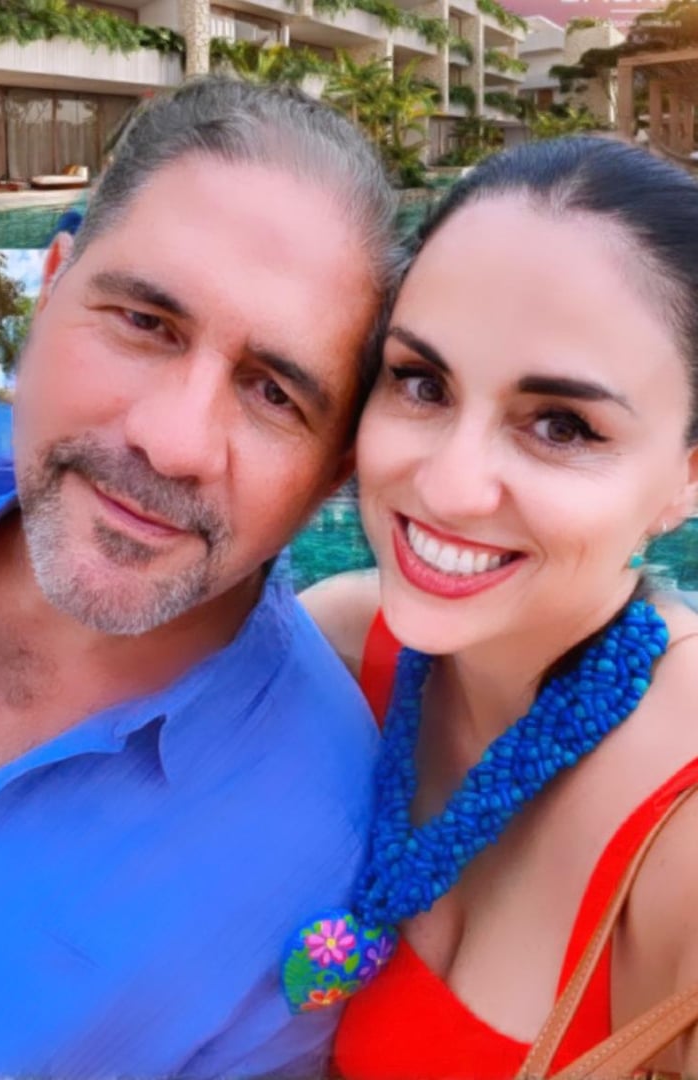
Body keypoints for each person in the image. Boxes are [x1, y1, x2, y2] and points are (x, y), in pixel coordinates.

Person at [0, 76, 405, 1077]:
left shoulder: (320, 858)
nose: (174, 441)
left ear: (333, 476)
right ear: (51, 286)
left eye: (273, 393)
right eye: (146, 322)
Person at [304, 136, 698, 1077]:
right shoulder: (334, 651)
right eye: (421, 382)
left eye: (562, 425)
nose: (448, 485)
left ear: (686, 479)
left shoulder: (682, 830)